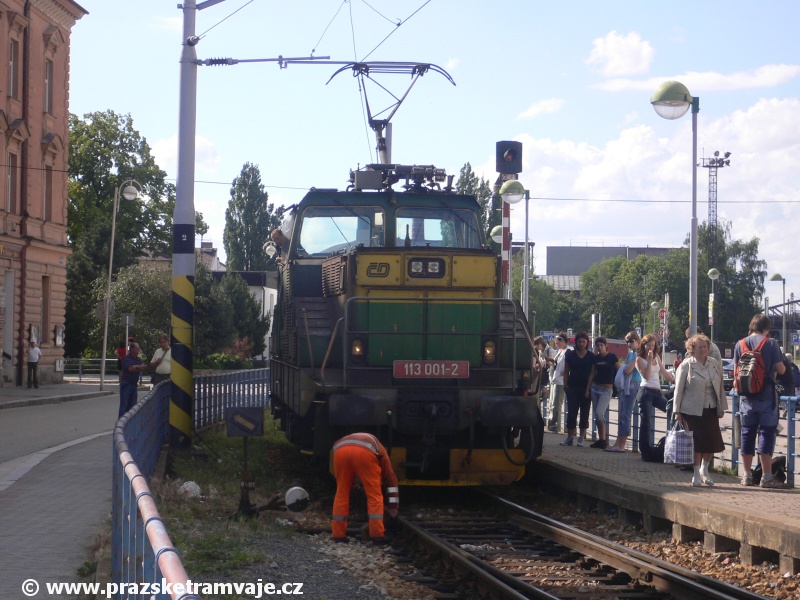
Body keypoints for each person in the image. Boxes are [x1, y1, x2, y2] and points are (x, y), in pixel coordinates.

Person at [734, 314, 787, 489]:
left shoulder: (740, 344)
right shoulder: (770, 343)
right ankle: (766, 477)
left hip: (746, 399)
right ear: (766, 328)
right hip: (766, 397)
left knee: (747, 433)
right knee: (766, 433)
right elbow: (781, 369)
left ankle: (747, 475)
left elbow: (736, 373)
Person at [674, 334, 727, 487]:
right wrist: (677, 411)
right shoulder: (686, 365)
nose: (703, 350)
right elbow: (679, 389)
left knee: (712, 441)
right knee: (697, 443)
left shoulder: (714, 363)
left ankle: (705, 469)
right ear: (692, 349)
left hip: (711, 408)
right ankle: (696, 473)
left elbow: (720, 386)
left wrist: (721, 407)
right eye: (699, 347)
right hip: (692, 410)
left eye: (705, 347)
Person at [331, 433, 400, 543]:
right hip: (364, 453)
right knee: (374, 495)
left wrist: (353, 484)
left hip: (340, 450)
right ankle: (377, 535)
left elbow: (349, 470)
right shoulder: (381, 451)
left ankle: (338, 535)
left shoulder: (363, 441)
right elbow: (390, 479)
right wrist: (393, 507)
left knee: (341, 493)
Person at [635, 334, 675, 460]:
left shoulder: (657, 356)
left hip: (657, 392)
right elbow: (646, 376)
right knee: (646, 422)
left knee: (671, 411)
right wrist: (649, 360)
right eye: (648, 346)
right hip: (645, 392)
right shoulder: (639, 359)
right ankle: (645, 451)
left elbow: (663, 372)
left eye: (653, 345)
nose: (651, 348)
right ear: (643, 345)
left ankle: (671, 444)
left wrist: (675, 381)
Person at [606, 332, 643, 453]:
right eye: (627, 342)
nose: (629, 344)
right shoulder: (631, 354)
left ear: (637, 340)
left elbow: (628, 370)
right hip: (627, 386)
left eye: (631, 341)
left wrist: (623, 367)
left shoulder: (637, 354)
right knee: (622, 414)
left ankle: (621, 445)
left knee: (626, 414)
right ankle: (618, 443)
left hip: (633, 384)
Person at [561, 331, 594, 447]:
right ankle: (570, 437)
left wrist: (588, 389)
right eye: (579, 341)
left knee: (585, 413)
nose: (582, 344)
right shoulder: (570, 355)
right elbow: (566, 371)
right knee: (571, 413)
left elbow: (592, 374)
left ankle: (581, 437)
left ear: (587, 342)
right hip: (572, 387)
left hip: (586, 388)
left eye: (584, 342)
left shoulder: (591, 356)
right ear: (576, 342)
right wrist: (565, 385)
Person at [586, 337, 616, 449]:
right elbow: (592, 374)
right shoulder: (595, 358)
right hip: (595, 388)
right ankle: (601, 440)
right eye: (597, 345)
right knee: (596, 415)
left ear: (606, 346)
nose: (599, 347)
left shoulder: (612, 357)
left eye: (601, 345)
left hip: (606, 390)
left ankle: (603, 439)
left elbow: (620, 369)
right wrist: (587, 389)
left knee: (599, 413)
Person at [547, 334, 569, 433]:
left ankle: (555, 426)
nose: (557, 345)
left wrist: (567, 373)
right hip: (555, 379)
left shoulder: (568, 351)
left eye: (558, 343)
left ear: (563, 341)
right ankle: (552, 424)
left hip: (560, 381)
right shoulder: (560, 351)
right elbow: (556, 363)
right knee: (552, 404)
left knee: (556, 405)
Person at [119, 342, 147, 418]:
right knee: (124, 405)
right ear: (132, 349)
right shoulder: (126, 358)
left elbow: (143, 366)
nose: (138, 349)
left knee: (132, 407)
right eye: (137, 348)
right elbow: (130, 369)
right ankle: (121, 422)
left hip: (134, 384)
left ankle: (130, 422)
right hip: (126, 384)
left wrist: (136, 367)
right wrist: (138, 367)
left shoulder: (138, 359)